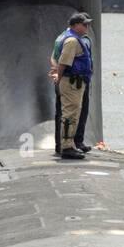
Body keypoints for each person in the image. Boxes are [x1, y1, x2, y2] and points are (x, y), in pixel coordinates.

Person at [51, 13, 94, 159]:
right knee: (70, 115)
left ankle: (67, 145)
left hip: (74, 82)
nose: (87, 27)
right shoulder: (72, 41)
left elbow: (54, 57)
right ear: (75, 25)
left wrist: (57, 74)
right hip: (71, 83)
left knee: (71, 114)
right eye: (84, 24)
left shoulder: (64, 37)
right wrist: (59, 76)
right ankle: (67, 147)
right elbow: (64, 62)